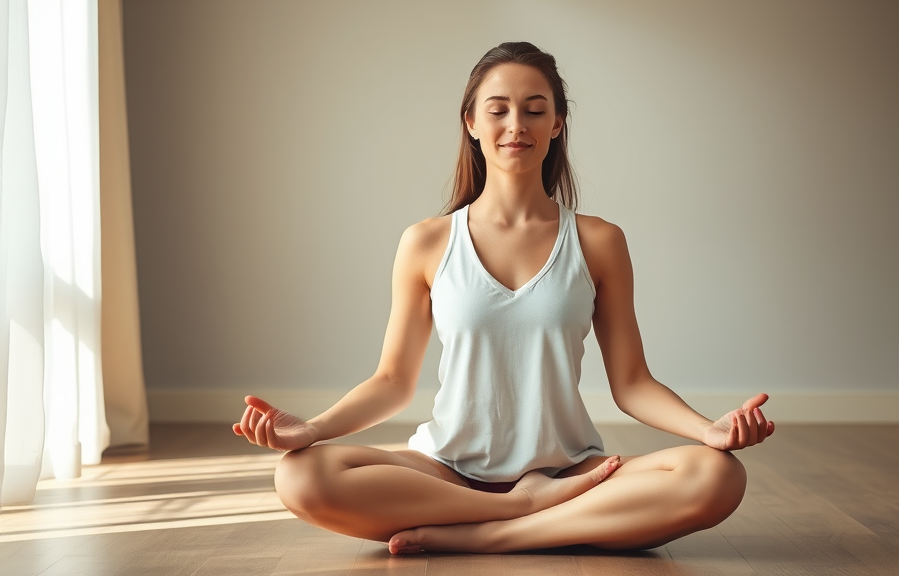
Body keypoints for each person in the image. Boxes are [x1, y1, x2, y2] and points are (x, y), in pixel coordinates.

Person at [233, 41, 774, 555]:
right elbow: (393, 383)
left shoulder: (599, 241)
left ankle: (488, 535)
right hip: (446, 472)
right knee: (300, 474)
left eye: (535, 110)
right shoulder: (427, 242)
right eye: (498, 110)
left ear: (557, 123)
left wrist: (709, 430)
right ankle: (528, 515)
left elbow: (631, 383)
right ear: (471, 122)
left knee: (718, 475)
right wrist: (311, 429)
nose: (516, 126)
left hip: (568, 473)